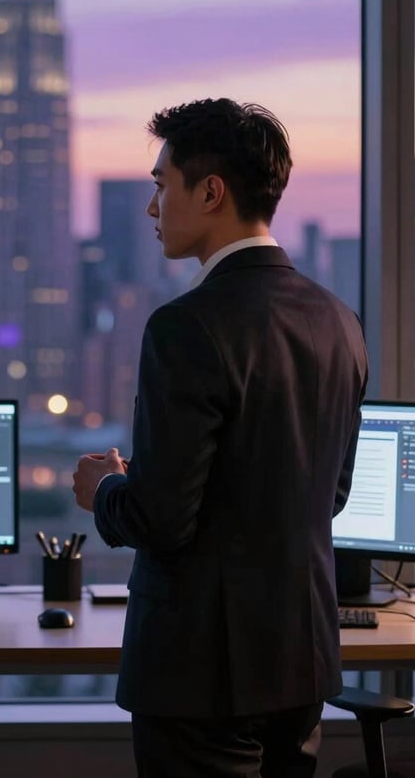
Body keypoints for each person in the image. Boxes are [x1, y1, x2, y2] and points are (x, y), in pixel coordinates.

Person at [72, 98, 368, 778]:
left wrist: (106, 490)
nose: (152, 207)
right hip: (300, 657)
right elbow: (331, 493)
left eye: (161, 185)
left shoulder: (186, 326)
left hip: (199, 672)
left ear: (210, 193)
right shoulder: (339, 320)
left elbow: (162, 519)